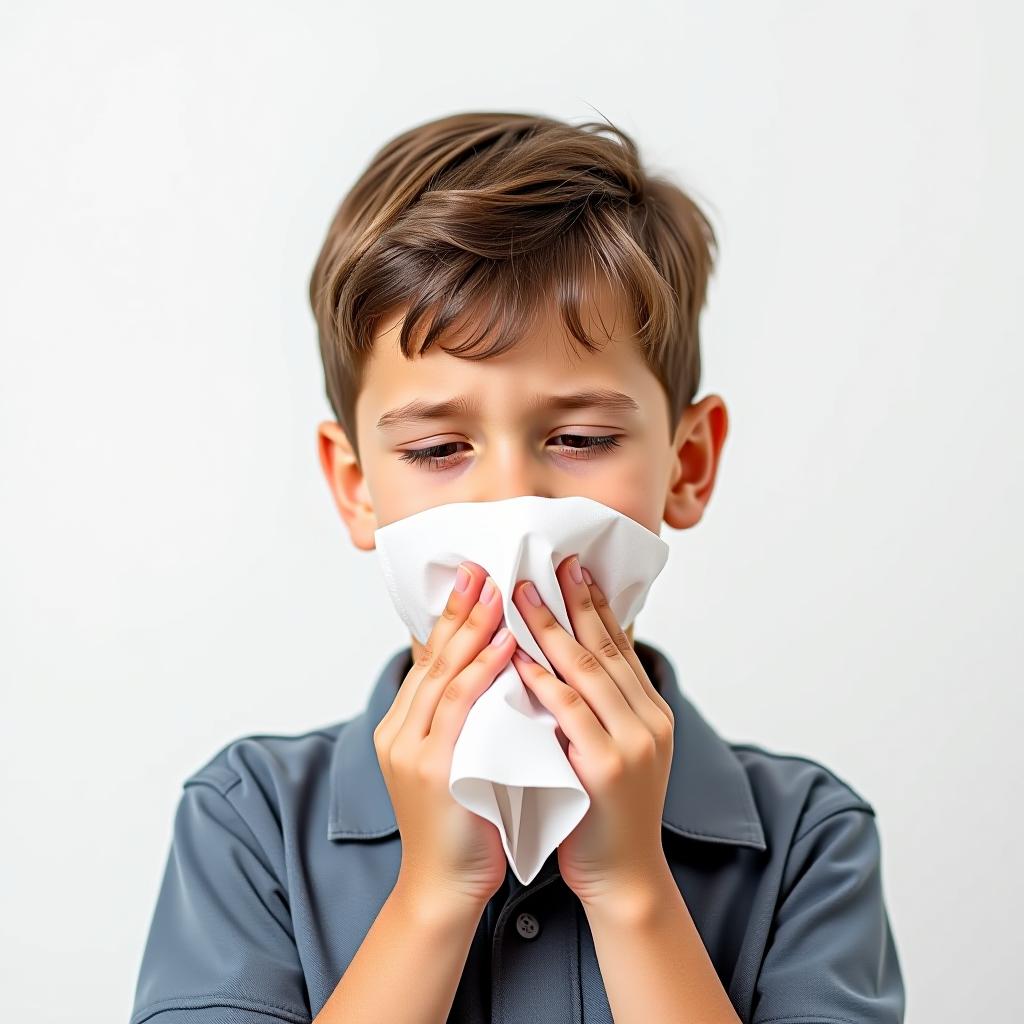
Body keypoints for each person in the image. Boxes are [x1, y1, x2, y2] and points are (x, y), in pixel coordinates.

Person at [129, 111, 906, 1024]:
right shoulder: (250, 822)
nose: (511, 500)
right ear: (356, 488)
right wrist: (432, 898)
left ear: (686, 467)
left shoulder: (809, 838)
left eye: (579, 438)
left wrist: (632, 890)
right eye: (437, 448)